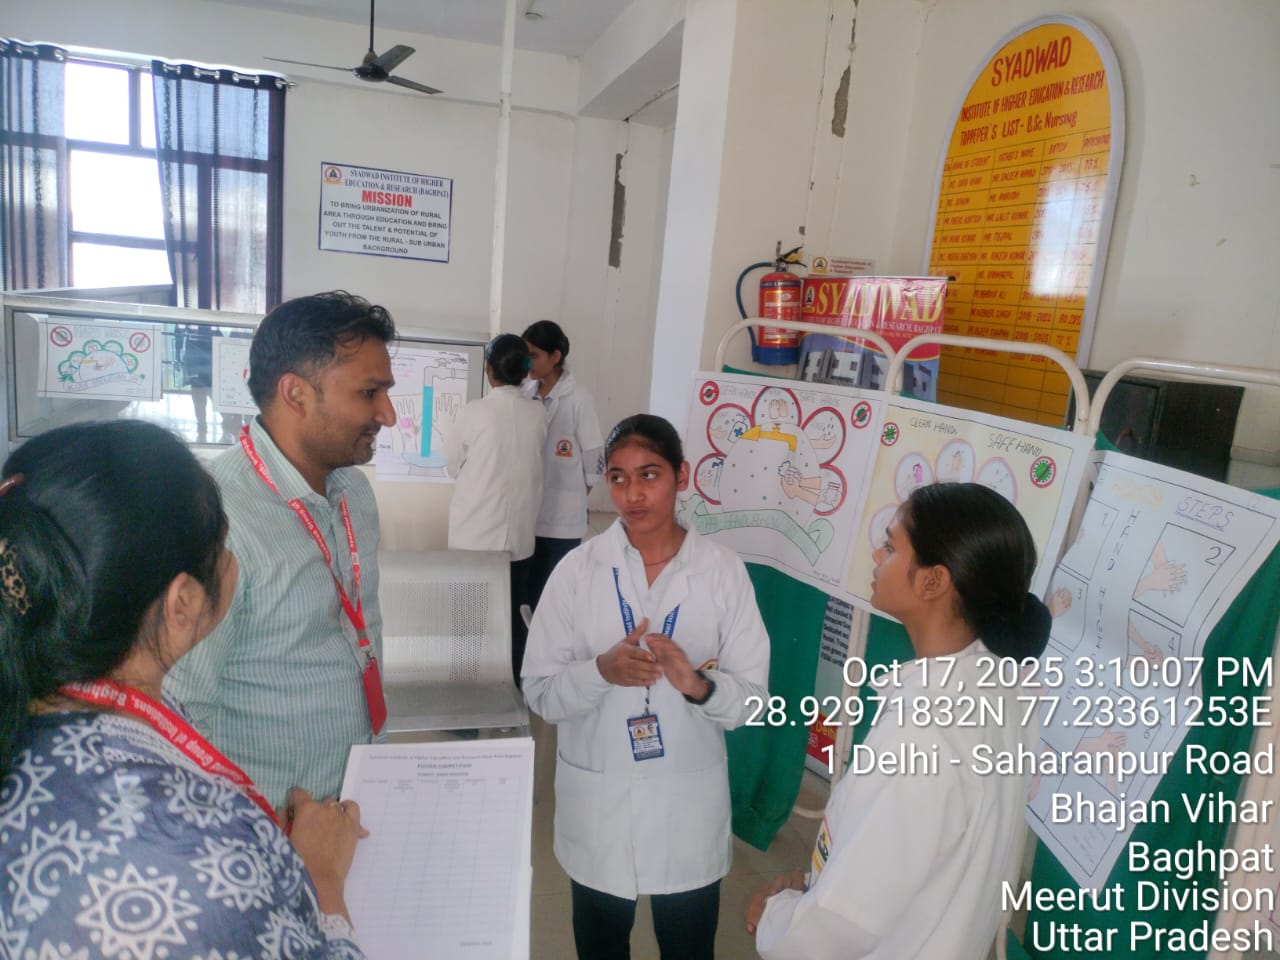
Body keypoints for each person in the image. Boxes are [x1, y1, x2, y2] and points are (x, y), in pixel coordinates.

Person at [0, 420, 367, 957]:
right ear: (182, 605)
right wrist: (321, 882)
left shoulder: (35, 709)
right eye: (222, 544)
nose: (231, 560)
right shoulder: (194, 858)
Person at [747, 482, 1052, 960]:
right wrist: (816, 886)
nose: (876, 554)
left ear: (933, 582)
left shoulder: (925, 734)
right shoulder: (999, 686)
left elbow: (837, 926)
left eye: (890, 547)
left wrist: (774, 916)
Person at [522, 413, 771, 960]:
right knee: (600, 947)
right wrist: (599, 672)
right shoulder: (578, 571)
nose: (632, 494)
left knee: (688, 948)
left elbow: (754, 703)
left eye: (649, 475)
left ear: (682, 475)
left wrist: (698, 686)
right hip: (599, 808)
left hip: (686, 811)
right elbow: (539, 691)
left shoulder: (723, 572)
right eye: (617, 478)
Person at [164, 291, 397, 807]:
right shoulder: (218, 519)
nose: (388, 414)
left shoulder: (353, 493)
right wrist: (252, 836)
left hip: (356, 797)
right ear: (296, 394)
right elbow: (182, 714)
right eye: (369, 393)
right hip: (271, 823)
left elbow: (359, 631)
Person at [445, 333, 546, 679]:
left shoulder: (474, 412)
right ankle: (513, 690)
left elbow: (451, 463)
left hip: (474, 540)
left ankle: (467, 693)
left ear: (488, 369)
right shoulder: (538, 414)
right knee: (514, 620)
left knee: (468, 625)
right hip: (519, 541)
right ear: (526, 371)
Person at [521, 320, 604, 607]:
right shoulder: (525, 393)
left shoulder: (578, 398)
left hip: (564, 521)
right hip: (529, 516)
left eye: (534, 355)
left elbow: (594, 453)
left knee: (555, 597)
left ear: (555, 356)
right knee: (528, 595)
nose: (528, 362)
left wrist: (579, 493)